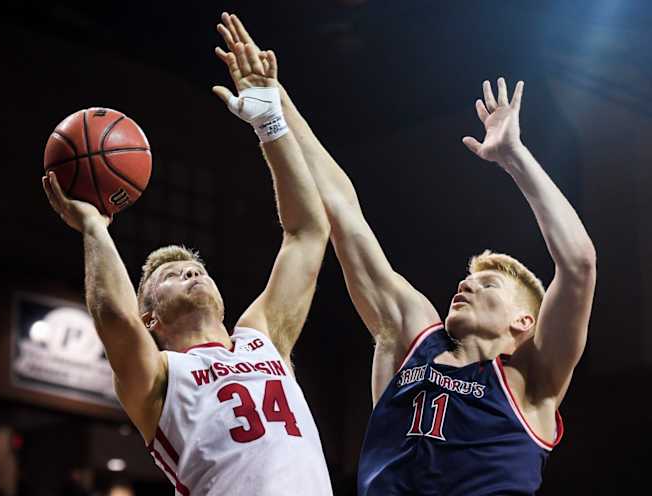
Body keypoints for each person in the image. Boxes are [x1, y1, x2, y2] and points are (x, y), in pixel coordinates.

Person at [216, 13, 596, 495]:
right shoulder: (414, 334)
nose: (467, 284)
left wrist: (514, 158)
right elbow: (343, 212)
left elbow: (579, 264)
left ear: (524, 323)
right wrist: (274, 104)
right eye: (470, 279)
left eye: (488, 284)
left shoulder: (532, 382)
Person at [42, 35, 333, 495]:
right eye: (172, 276)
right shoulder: (157, 377)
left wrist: (270, 122)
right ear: (151, 318)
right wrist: (96, 230)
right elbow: (114, 317)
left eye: (197, 269)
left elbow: (307, 233)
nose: (192, 272)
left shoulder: (261, 337)